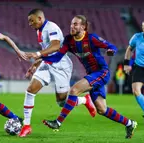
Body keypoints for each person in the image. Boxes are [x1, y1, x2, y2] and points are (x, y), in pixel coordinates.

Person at [41, 15, 137, 139]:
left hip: (102, 72)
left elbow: (112, 47)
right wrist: (39, 56)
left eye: (75, 24)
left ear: (83, 26)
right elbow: (57, 57)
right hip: (92, 75)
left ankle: (58, 122)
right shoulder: (69, 40)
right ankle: (129, 123)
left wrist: (111, 51)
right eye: (71, 24)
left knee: (74, 90)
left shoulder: (91, 39)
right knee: (102, 110)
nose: (72, 26)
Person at [19, 9, 96, 137]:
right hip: (47, 63)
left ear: (40, 19)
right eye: (29, 22)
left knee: (61, 101)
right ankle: (26, 126)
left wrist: (36, 54)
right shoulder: (39, 30)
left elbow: (56, 46)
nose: (30, 24)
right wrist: (36, 63)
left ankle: (84, 100)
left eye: (32, 21)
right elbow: (47, 50)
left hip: (61, 65)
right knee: (30, 89)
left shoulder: (51, 27)